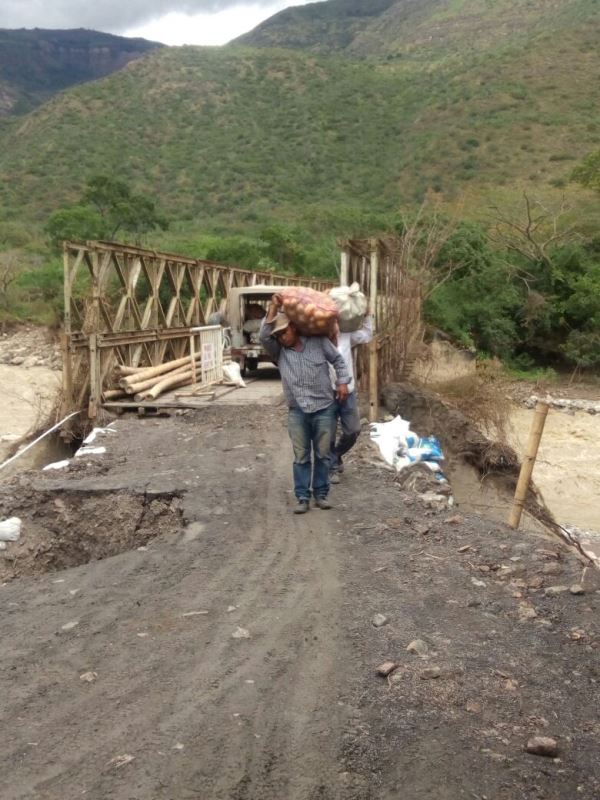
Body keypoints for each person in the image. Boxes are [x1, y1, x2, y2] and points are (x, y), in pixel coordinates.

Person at [260, 296, 350, 514]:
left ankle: (321, 494)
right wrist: (273, 307)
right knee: (301, 456)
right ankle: (302, 497)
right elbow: (263, 336)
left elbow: (338, 360)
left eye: (284, 333)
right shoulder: (279, 352)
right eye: (278, 335)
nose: (281, 338)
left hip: (324, 408)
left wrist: (342, 382)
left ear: (294, 328)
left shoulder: (318, 343)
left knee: (322, 455)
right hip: (298, 411)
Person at [329, 317, 373, 483]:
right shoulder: (317, 340)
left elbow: (367, 335)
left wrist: (367, 315)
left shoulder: (346, 336)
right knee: (328, 432)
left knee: (353, 430)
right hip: (326, 393)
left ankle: (336, 454)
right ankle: (331, 467)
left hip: (348, 391)